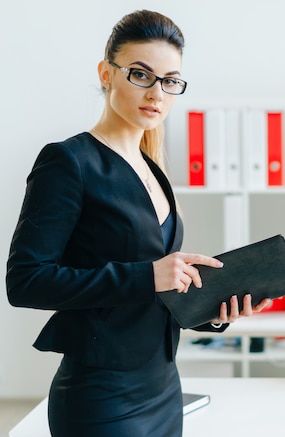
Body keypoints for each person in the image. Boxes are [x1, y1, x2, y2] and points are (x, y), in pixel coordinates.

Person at [5, 10, 269, 436]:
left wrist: (215, 312)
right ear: (106, 74)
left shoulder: (154, 169)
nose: (157, 93)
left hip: (164, 388)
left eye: (170, 81)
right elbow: (25, 282)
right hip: (101, 397)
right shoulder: (68, 162)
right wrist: (147, 275)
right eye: (141, 75)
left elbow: (155, 295)